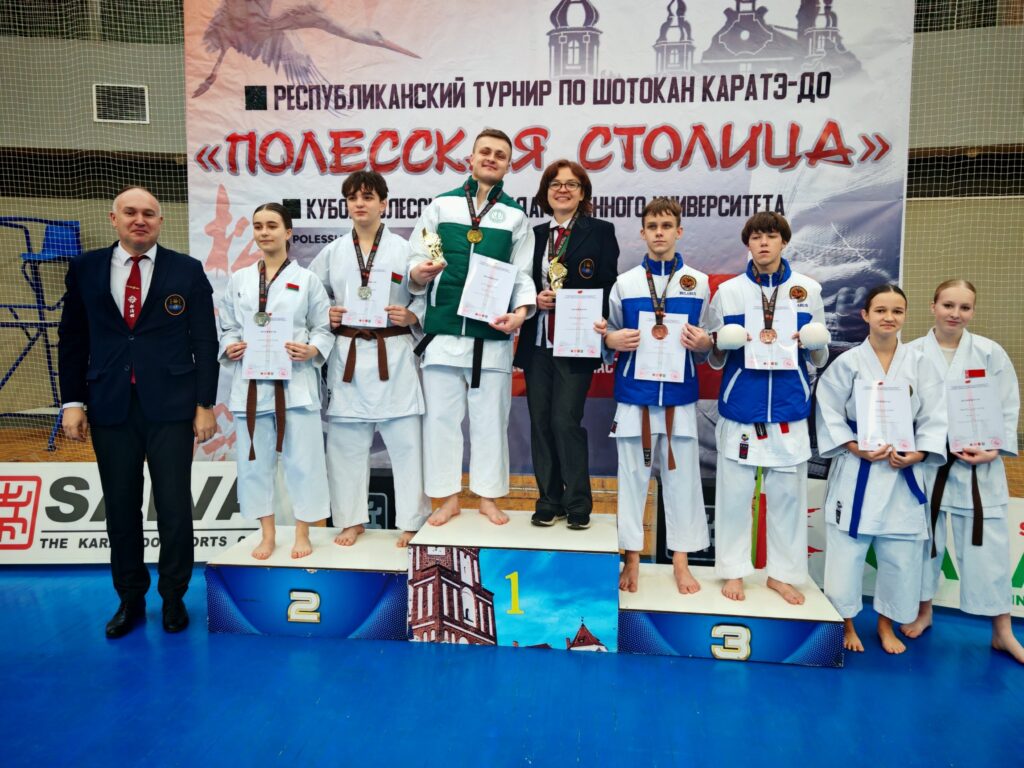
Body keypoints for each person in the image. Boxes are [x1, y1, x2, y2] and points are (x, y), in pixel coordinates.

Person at [58, 186, 218, 638]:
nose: (139, 220)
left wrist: (204, 404)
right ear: (114, 219)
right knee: (121, 508)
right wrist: (72, 402)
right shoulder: (86, 268)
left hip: (172, 407)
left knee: (174, 507)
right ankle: (130, 599)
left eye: (149, 213)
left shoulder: (186, 270)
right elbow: (72, 339)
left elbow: (205, 340)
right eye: (130, 212)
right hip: (110, 404)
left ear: (160, 222)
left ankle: (173, 597)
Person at [408, 128, 536, 526]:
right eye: (485, 152)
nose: (491, 158)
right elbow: (414, 256)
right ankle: (446, 498)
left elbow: (523, 274)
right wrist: (419, 272)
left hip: (491, 338)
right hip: (443, 333)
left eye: (500, 154)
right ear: (471, 158)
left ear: (509, 165)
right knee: (441, 422)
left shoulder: (515, 216)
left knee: (490, 423)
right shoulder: (441, 206)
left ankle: (488, 498)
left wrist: (521, 313)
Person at [706, 212, 831, 605]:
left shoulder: (808, 290)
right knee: (733, 498)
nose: (763, 243)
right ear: (748, 243)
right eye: (756, 236)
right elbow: (714, 359)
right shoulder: (728, 292)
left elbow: (819, 357)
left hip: (788, 408)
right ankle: (733, 571)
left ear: (784, 242)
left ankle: (783, 574)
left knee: (788, 500)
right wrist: (720, 343)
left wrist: (815, 344)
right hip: (741, 407)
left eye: (771, 236)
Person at [815, 285, 947, 654]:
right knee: (846, 553)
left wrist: (919, 453)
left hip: (902, 472)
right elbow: (828, 409)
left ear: (905, 315)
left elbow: (936, 415)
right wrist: (853, 446)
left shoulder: (920, 363)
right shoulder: (848, 362)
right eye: (881, 310)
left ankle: (886, 624)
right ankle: (846, 623)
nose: (889, 317)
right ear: (866, 315)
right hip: (859, 468)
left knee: (901, 555)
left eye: (897, 311)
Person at [900, 280, 1023, 664]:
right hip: (929, 464)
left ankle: (1002, 631)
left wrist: (993, 449)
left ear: (973, 311)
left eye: (964, 307)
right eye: (948, 305)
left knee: (989, 549)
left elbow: (1007, 406)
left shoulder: (989, 352)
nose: (955, 313)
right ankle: (924, 611)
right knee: (925, 543)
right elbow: (902, 407)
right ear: (933, 306)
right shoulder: (911, 353)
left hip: (978, 467)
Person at [309, 171, 430, 548]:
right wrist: (325, 313)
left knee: (408, 446)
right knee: (345, 446)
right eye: (352, 198)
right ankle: (350, 520)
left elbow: (427, 295)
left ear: (383, 204)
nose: (359, 203)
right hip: (349, 356)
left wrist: (412, 316)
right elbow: (311, 297)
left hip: (393, 355)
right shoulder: (332, 252)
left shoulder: (405, 250)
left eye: (367, 197)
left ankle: (412, 521)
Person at [597, 198, 712, 593]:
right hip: (635, 398)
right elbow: (609, 334)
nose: (659, 232)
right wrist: (611, 340)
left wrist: (705, 342)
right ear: (642, 233)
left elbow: (711, 340)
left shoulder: (698, 282)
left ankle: (681, 561)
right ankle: (631, 560)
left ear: (679, 231)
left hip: (679, 397)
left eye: (666, 226)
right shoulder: (625, 283)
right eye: (652, 226)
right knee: (631, 481)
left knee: (683, 481)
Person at [218, 202, 333, 560]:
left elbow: (323, 327)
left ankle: (302, 532)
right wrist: (230, 345)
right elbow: (228, 326)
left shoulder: (308, 280)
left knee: (304, 462)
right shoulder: (239, 280)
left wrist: (312, 349)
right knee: (254, 463)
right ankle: (266, 533)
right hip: (251, 386)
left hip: (295, 385)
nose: (264, 232)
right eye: (258, 226)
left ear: (288, 232)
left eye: (271, 225)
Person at [513, 159, 619, 530]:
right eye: (555, 184)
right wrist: (533, 299)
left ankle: (578, 503)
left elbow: (608, 284)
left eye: (571, 184)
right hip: (538, 341)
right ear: (546, 192)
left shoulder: (600, 231)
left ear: (582, 192)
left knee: (565, 420)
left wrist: (592, 312)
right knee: (540, 422)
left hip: (576, 342)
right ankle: (549, 500)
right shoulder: (533, 235)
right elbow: (519, 282)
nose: (563, 189)